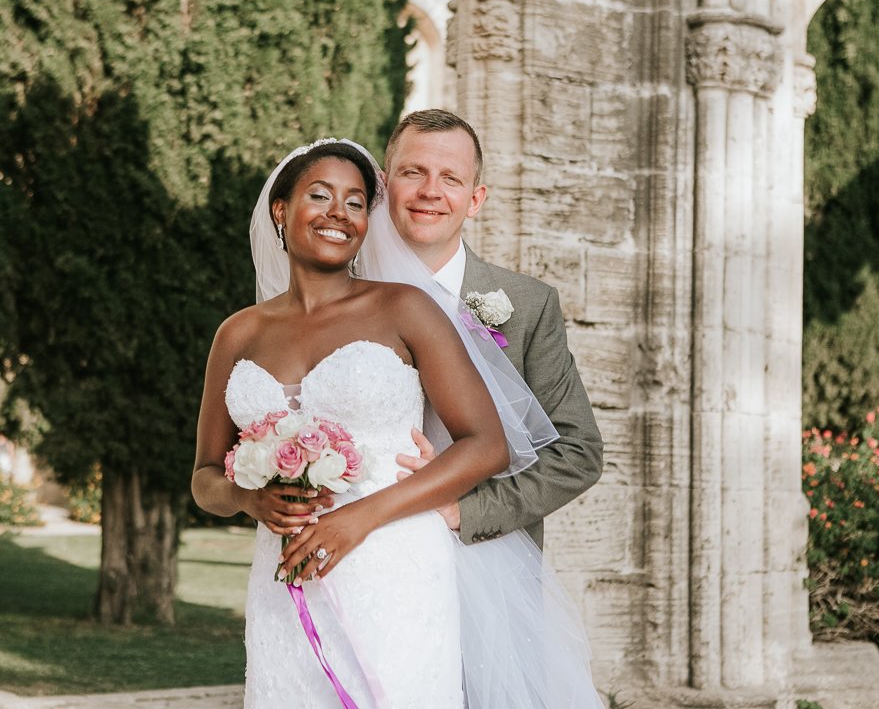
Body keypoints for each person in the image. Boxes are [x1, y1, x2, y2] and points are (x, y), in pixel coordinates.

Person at [193, 139, 602, 708]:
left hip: (394, 560)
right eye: (319, 195)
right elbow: (206, 477)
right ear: (280, 211)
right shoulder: (236, 333)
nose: (339, 212)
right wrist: (249, 497)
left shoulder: (403, 307)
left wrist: (356, 519)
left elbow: (487, 444)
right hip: (284, 574)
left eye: (356, 202)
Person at [385, 109, 603, 549]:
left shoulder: (528, 304)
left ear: (475, 199)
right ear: (384, 182)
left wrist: (462, 512)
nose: (430, 191)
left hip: (485, 559)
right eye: (413, 172)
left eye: (451, 178)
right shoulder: (338, 298)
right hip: (365, 549)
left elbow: (577, 452)